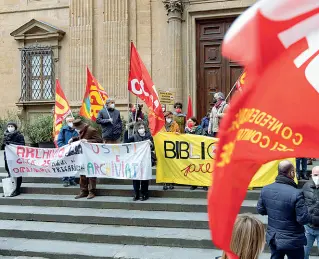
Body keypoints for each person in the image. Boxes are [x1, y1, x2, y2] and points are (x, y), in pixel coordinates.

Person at [257, 160, 312, 259]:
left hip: (274, 237)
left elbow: (261, 210)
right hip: (293, 240)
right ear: (291, 173)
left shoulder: (265, 189)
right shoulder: (296, 193)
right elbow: (302, 219)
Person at [69, 119, 103, 199]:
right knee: (82, 173)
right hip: (83, 155)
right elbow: (81, 138)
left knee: (91, 173)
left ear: (80, 127)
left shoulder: (91, 130)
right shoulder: (82, 130)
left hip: (91, 155)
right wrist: (74, 139)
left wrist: (87, 141)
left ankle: (92, 191)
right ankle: (83, 191)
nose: (76, 130)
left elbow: (100, 141)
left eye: (76, 128)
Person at [125, 120, 154, 201]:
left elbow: (153, 147)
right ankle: (136, 194)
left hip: (146, 160)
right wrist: (127, 130)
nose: (141, 129)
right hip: (136, 160)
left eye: (142, 127)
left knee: (144, 178)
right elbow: (125, 143)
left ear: (145, 128)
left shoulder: (149, 136)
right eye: (139, 128)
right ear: (137, 129)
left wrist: (151, 144)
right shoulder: (134, 137)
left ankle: (144, 194)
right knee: (136, 178)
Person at [1, 122, 25, 197]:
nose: (10, 127)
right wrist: (4, 144)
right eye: (9, 126)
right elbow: (2, 147)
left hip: (16, 157)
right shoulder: (5, 135)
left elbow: (22, 145)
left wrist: (11, 143)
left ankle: (17, 189)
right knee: (9, 171)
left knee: (17, 173)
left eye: (12, 126)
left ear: (15, 127)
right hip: (7, 157)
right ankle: (10, 189)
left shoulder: (19, 135)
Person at [185, 117, 208, 191]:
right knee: (193, 167)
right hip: (191, 151)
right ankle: (194, 184)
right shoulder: (187, 129)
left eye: (190, 121)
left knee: (202, 167)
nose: (189, 123)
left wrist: (191, 132)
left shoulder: (200, 129)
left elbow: (198, 138)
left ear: (195, 122)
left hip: (199, 150)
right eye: (188, 121)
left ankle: (204, 184)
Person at [303, 166, 319, 259]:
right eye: (316, 175)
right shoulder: (306, 186)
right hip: (308, 227)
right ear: (311, 175)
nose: (318, 177)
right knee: (304, 253)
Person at [57, 116, 78, 187]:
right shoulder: (63, 130)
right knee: (65, 165)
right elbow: (59, 141)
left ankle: (72, 179)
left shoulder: (77, 130)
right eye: (69, 121)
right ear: (66, 122)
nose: (71, 123)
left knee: (73, 165)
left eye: (72, 121)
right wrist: (64, 148)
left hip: (75, 150)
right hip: (66, 151)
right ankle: (65, 180)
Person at [162, 111, 180, 190]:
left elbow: (178, 132)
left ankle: (171, 182)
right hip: (163, 147)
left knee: (172, 166)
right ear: (165, 118)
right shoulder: (161, 125)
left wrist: (177, 133)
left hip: (172, 147)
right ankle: (165, 182)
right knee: (164, 166)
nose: (170, 119)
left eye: (171, 117)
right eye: (168, 117)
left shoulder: (175, 124)